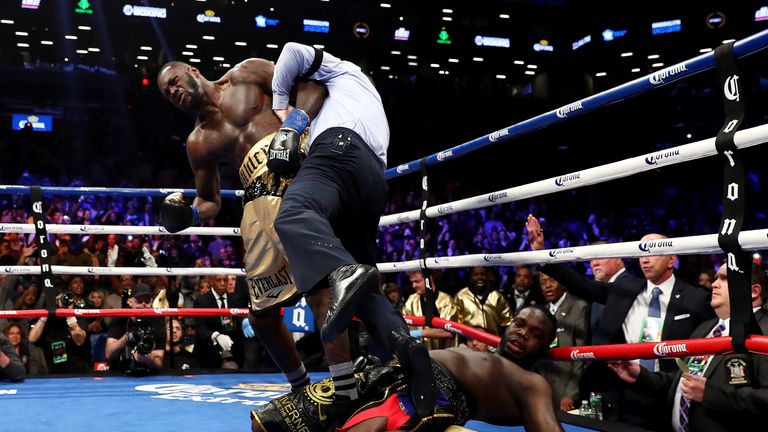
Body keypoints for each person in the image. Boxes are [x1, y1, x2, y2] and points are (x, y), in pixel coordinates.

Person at [268, 42, 433, 414]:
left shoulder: (344, 71)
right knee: (363, 289)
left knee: (294, 212)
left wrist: (284, 108)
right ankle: (410, 350)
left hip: (339, 152)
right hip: (373, 180)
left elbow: (293, 50)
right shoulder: (372, 107)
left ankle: (344, 272)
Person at [156, 57, 338, 390]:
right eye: (168, 93)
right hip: (256, 201)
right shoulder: (198, 142)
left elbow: (313, 86)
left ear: (194, 71)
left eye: (175, 81)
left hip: (297, 173)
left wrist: (292, 128)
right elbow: (209, 200)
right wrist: (190, 215)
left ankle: (347, 386)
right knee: (262, 315)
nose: (174, 92)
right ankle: (301, 388)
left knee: (320, 288)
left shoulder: (247, 72)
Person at [526, 214, 714, 429]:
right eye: (641, 253)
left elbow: (707, 347)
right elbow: (580, 285)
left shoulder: (696, 298)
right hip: (629, 390)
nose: (645, 259)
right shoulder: (626, 290)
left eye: (652, 252)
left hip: (673, 391)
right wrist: (541, 253)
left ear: (671, 259)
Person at [250, 305, 564, 432]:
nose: (523, 333)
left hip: (431, 396)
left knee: (369, 428)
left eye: (536, 334)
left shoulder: (532, 383)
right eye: (520, 324)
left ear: (547, 346)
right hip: (390, 371)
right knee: (270, 422)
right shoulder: (486, 352)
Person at [608, 262, 768, 432]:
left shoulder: (763, 333)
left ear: (753, 291)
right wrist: (640, 376)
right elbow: (682, 382)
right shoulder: (706, 328)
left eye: (724, 278)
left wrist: (710, 394)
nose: (714, 284)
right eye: (715, 278)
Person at [532, 272, 588, 412]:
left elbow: (581, 356)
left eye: (552, 280)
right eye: (543, 283)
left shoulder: (579, 306)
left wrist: (571, 394)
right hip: (542, 387)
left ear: (563, 281)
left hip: (565, 388)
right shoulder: (542, 310)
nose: (547, 286)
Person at [105, 283, 166, 375]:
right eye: (139, 301)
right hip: (119, 373)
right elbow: (108, 353)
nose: (143, 304)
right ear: (129, 302)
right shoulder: (120, 319)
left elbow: (159, 363)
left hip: (149, 375)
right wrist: (126, 338)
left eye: (147, 301)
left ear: (152, 302)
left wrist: (148, 360)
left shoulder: (157, 322)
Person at [403, 270, 458, 350]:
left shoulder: (446, 301)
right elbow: (403, 326)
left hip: (444, 354)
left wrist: (420, 333)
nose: (413, 285)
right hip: (420, 354)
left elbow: (449, 332)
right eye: (412, 282)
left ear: (428, 279)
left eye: (417, 281)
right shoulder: (411, 301)